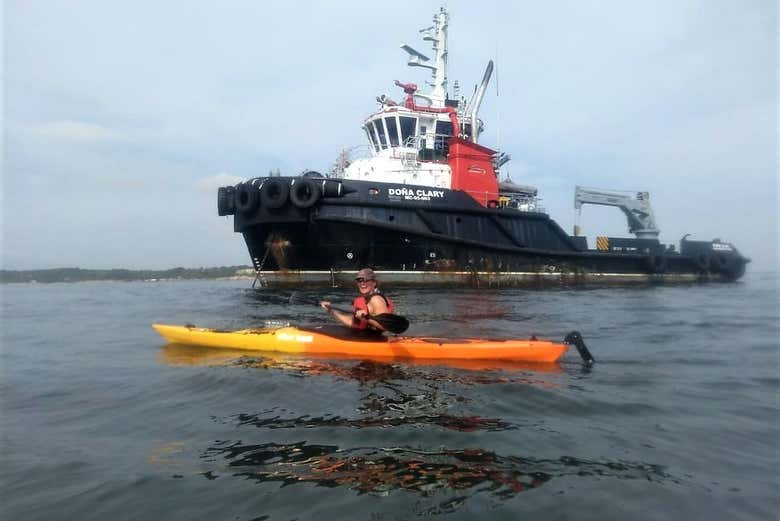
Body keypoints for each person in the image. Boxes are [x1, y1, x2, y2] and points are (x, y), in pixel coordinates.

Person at [320, 268, 394, 332]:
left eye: (366, 280)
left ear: (374, 283)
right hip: (361, 337)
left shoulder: (376, 300)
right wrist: (331, 311)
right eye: (359, 280)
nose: (362, 283)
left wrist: (366, 318)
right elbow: (352, 323)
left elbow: (386, 326)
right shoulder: (360, 300)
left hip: (373, 342)